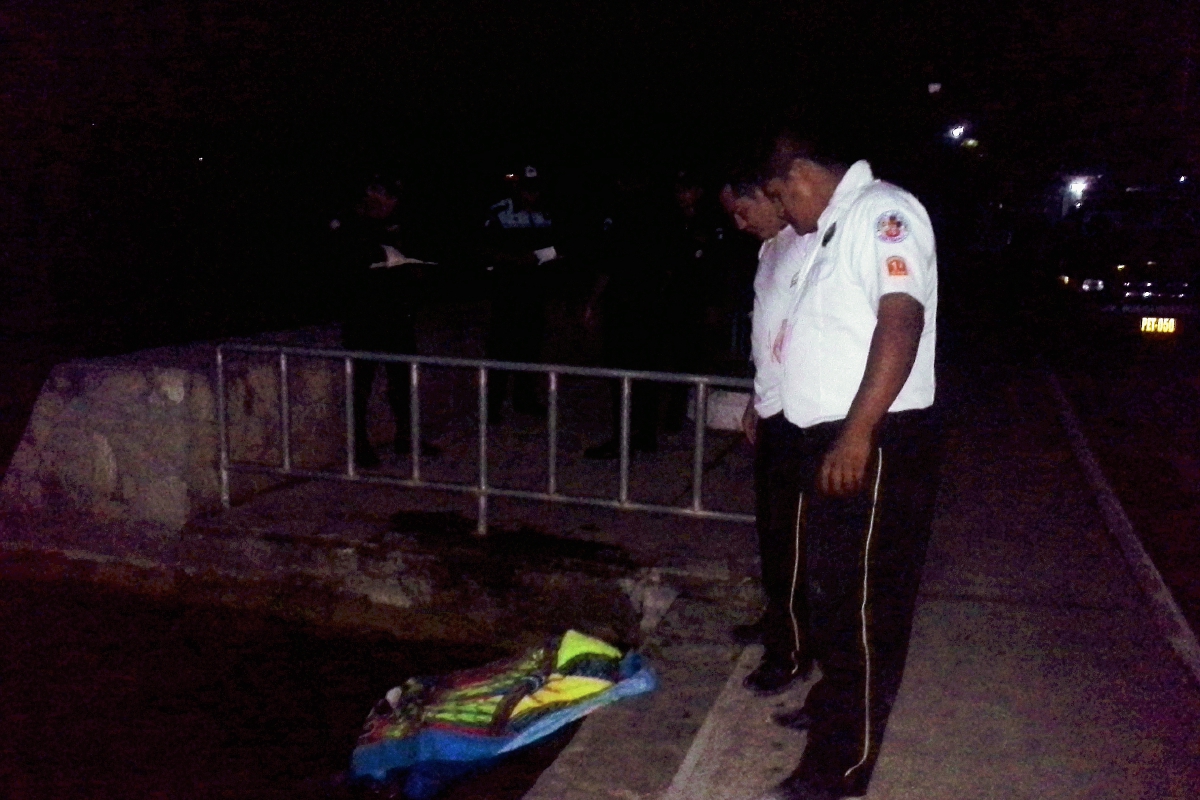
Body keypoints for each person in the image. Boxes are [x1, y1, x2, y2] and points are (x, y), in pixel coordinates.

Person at [753, 135, 941, 800]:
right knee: (832, 594)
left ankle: (841, 765)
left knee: (862, 607)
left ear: (801, 174)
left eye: (779, 195)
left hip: (873, 436)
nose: (781, 209)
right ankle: (835, 708)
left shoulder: (883, 213)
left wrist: (859, 432)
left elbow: (900, 319)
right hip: (827, 437)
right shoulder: (829, 230)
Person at [719, 171, 818, 695]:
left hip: (801, 416)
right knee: (772, 532)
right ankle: (778, 620)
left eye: (744, 209)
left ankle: (792, 651)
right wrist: (759, 402)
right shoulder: (771, 250)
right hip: (774, 409)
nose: (739, 223)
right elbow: (768, 334)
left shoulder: (808, 246)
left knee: (794, 538)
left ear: (770, 196)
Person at [336, 174, 438, 468]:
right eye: (386, 198)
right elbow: (341, 265)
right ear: (371, 194)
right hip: (363, 316)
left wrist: (414, 270)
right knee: (361, 384)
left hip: (397, 312)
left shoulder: (397, 221)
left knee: (403, 380)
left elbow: (412, 251)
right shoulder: (349, 222)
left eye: (394, 199)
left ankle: (407, 436)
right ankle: (359, 445)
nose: (391, 204)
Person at [482, 165, 558, 420]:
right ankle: (492, 404)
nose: (531, 195)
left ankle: (524, 398)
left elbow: (556, 246)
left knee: (531, 346)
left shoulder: (547, 212)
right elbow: (485, 249)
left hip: (535, 291)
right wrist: (516, 260)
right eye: (527, 189)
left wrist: (546, 257)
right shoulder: (500, 211)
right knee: (501, 347)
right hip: (507, 291)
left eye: (536, 189)